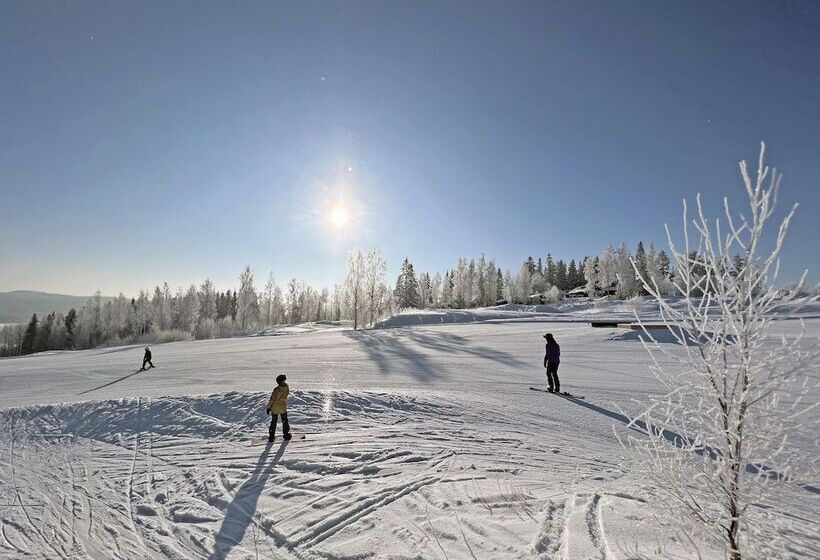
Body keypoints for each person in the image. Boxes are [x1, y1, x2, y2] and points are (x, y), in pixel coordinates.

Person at [266, 374, 292, 442]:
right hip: (283, 407)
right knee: (285, 421)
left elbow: (272, 399)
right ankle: (286, 435)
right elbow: (286, 394)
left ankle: (271, 437)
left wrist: (268, 407)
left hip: (275, 408)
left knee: (274, 422)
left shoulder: (276, 389)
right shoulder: (286, 387)